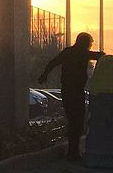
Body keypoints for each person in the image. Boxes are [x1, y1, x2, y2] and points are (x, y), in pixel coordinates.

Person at [38, 32, 105, 161]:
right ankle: (73, 152)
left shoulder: (69, 52)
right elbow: (98, 56)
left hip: (67, 91)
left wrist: (44, 75)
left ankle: (72, 150)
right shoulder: (82, 53)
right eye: (89, 44)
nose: (89, 47)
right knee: (77, 122)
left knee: (73, 121)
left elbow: (53, 63)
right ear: (84, 43)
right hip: (75, 92)